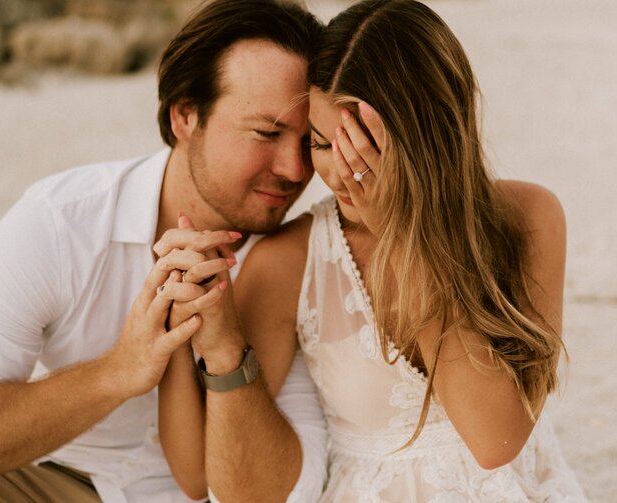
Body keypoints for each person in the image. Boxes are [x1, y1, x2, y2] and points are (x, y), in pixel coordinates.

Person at [159, 0, 586, 500]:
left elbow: (495, 441)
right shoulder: (288, 263)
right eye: (321, 144)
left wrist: (403, 238)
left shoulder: (527, 217)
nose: (341, 173)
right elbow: (216, 482)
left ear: (427, 135)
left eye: (361, 147)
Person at [0, 1, 328, 501]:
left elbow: (275, 488)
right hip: (47, 482)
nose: (293, 169)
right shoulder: (62, 221)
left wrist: (227, 352)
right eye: (267, 133)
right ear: (185, 115)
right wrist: (118, 371)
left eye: (310, 141)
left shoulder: (305, 254)